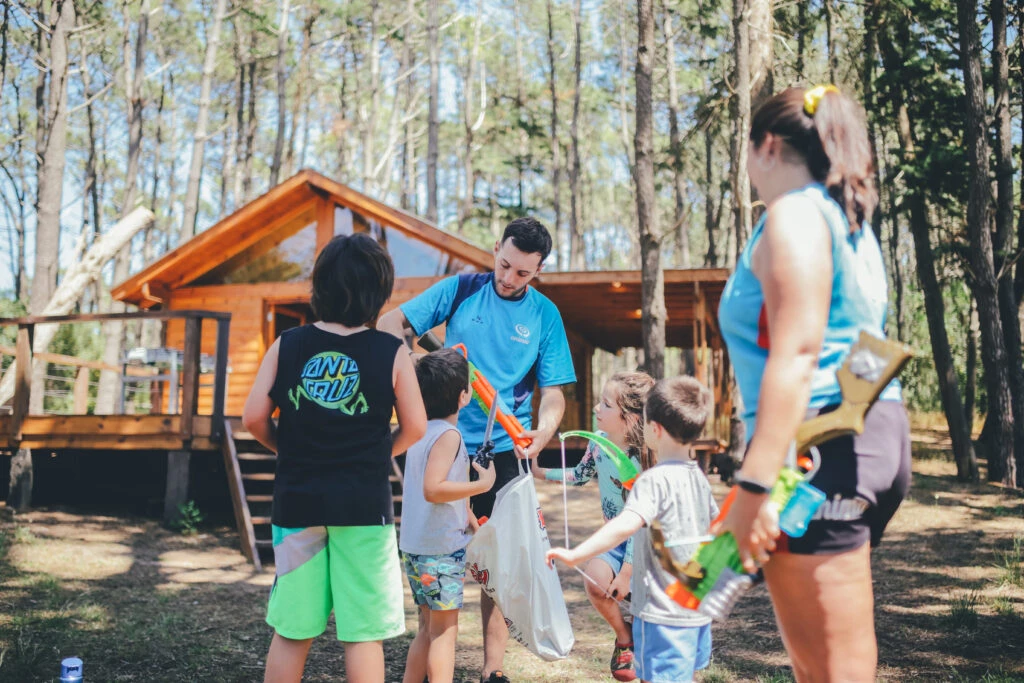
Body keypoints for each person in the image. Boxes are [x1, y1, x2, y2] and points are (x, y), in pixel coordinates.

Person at [716, 85, 911, 682]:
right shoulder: (846, 221)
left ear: (767, 145)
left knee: (832, 674)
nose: (747, 167)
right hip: (859, 436)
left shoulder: (796, 214)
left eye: (746, 151)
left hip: (817, 448)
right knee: (829, 670)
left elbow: (798, 355)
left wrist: (754, 484)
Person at [378, 217, 576, 683]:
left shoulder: (545, 315)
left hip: (505, 449)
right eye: (504, 265)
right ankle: (431, 650)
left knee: (499, 562)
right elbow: (390, 324)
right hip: (442, 442)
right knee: (435, 559)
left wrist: (543, 432)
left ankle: (492, 669)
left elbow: (554, 392)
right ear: (495, 249)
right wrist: (414, 370)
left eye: (522, 272)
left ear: (539, 270)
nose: (509, 278)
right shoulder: (462, 288)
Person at [242, 233, 427, 683]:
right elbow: (417, 426)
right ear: (378, 293)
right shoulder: (391, 351)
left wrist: (289, 449)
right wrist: (379, 453)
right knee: (363, 633)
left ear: (319, 286)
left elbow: (253, 417)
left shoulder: (287, 343)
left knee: (292, 627)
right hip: (363, 506)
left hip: (297, 503)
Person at [547, 376, 718, 683]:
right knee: (685, 674)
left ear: (654, 428)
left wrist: (577, 554)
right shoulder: (697, 478)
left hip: (659, 611)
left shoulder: (651, 479)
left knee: (656, 675)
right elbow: (717, 530)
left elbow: (627, 525)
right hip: (694, 609)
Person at [531, 371, 654, 682]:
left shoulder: (642, 458)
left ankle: (645, 653)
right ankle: (624, 637)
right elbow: (580, 474)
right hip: (615, 539)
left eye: (607, 404)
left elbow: (641, 524)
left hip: (645, 545)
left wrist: (626, 572)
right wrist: (541, 473)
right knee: (596, 583)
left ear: (630, 419)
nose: (597, 408)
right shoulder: (598, 443)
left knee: (646, 615)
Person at [400, 348, 497, 683]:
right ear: (463, 396)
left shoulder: (419, 431)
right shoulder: (449, 435)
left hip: (416, 547)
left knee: (427, 628)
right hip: (439, 551)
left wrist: (467, 514)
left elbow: (433, 487)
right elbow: (433, 489)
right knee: (444, 632)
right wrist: (482, 484)